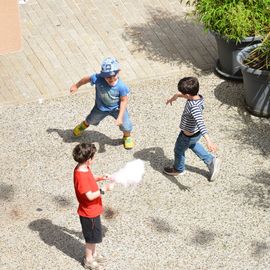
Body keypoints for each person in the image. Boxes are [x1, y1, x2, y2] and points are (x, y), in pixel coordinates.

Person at [163, 77, 221, 181]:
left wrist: (209, 141)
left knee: (179, 150)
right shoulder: (198, 97)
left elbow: (201, 123)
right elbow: (186, 96)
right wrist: (175, 96)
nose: (181, 94)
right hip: (195, 133)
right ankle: (210, 160)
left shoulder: (194, 108)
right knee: (192, 145)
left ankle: (178, 169)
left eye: (182, 93)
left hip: (187, 135)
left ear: (188, 95)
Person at [70, 57, 134, 149]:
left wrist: (120, 117)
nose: (111, 79)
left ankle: (127, 136)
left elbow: (124, 101)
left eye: (113, 76)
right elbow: (86, 79)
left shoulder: (121, 86)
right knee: (91, 119)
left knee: (126, 124)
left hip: (117, 109)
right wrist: (76, 85)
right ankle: (84, 125)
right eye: (108, 77)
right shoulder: (98, 78)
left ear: (118, 72)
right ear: (102, 75)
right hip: (101, 108)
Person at [72, 143, 114, 269]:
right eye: (93, 158)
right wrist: (104, 189)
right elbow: (89, 196)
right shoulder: (81, 177)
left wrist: (101, 178)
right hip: (89, 213)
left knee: (94, 236)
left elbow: (90, 177)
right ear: (89, 160)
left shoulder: (82, 168)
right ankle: (88, 260)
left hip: (92, 210)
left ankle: (94, 254)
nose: (94, 160)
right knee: (91, 238)